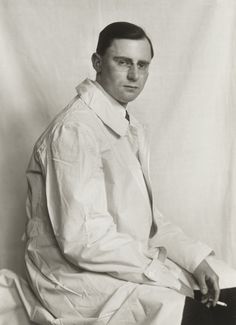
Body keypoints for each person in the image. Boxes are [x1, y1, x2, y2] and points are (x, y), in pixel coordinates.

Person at [25, 21, 236, 324]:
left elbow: (148, 222)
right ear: (97, 62)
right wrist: (158, 270)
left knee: (228, 284)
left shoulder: (128, 126)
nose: (135, 76)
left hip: (119, 260)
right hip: (73, 277)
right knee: (191, 310)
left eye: (143, 65)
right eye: (123, 62)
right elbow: (84, 240)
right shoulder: (76, 130)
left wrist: (196, 260)